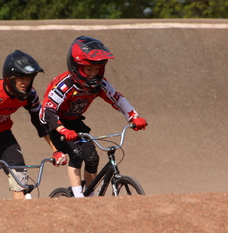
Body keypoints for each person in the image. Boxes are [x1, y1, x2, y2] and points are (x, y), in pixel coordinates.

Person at [39, 36, 147, 198]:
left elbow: (117, 98)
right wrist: (62, 129)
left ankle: (91, 198)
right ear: (76, 67)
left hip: (75, 123)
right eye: (88, 69)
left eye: (97, 70)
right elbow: (46, 112)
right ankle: (78, 197)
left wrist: (134, 117)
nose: (93, 74)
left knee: (92, 157)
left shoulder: (100, 84)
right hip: (56, 124)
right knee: (76, 154)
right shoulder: (65, 85)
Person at [0, 50, 67, 201]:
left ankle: (19, 219)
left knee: (20, 179)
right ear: (10, 78)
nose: (26, 83)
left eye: (28, 78)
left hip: (3, 135)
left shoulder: (30, 95)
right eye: (21, 78)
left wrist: (56, 151)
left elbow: (41, 123)